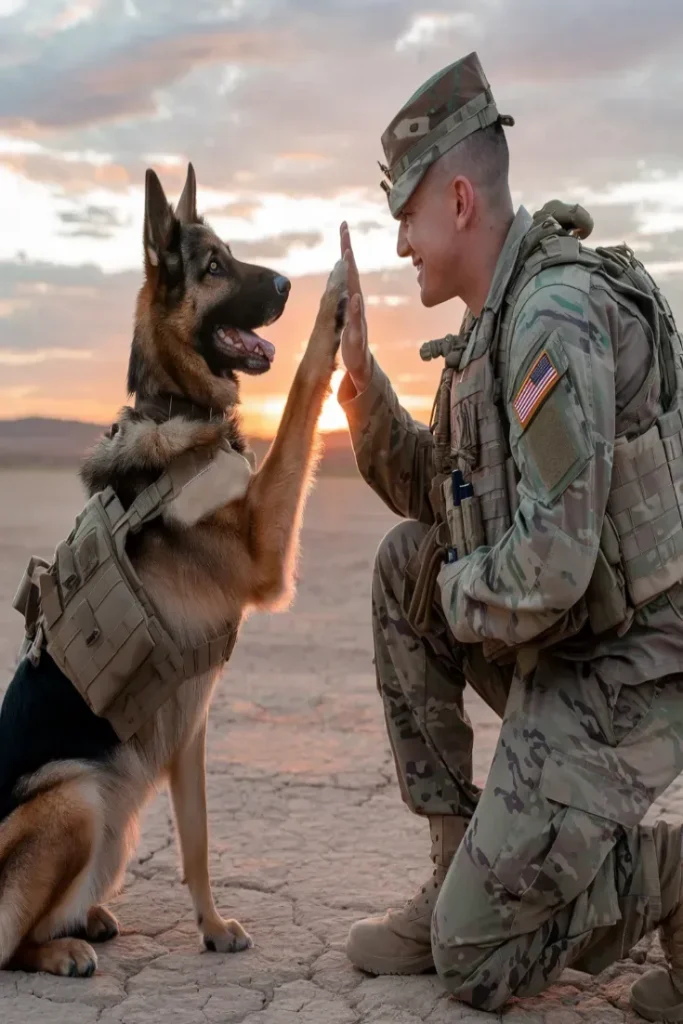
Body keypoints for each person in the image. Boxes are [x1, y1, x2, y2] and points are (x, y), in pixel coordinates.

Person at [336, 50, 683, 1022]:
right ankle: (456, 862)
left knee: (478, 961)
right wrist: (361, 390)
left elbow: (556, 564)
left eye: (404, 211)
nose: (398, 237)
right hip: (570, 642)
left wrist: (452, 593)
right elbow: (436, 500)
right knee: (406, 564)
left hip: (630, 665)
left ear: (455, 201)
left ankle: (665, 878)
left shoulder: (548, 319)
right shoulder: (488, 331)